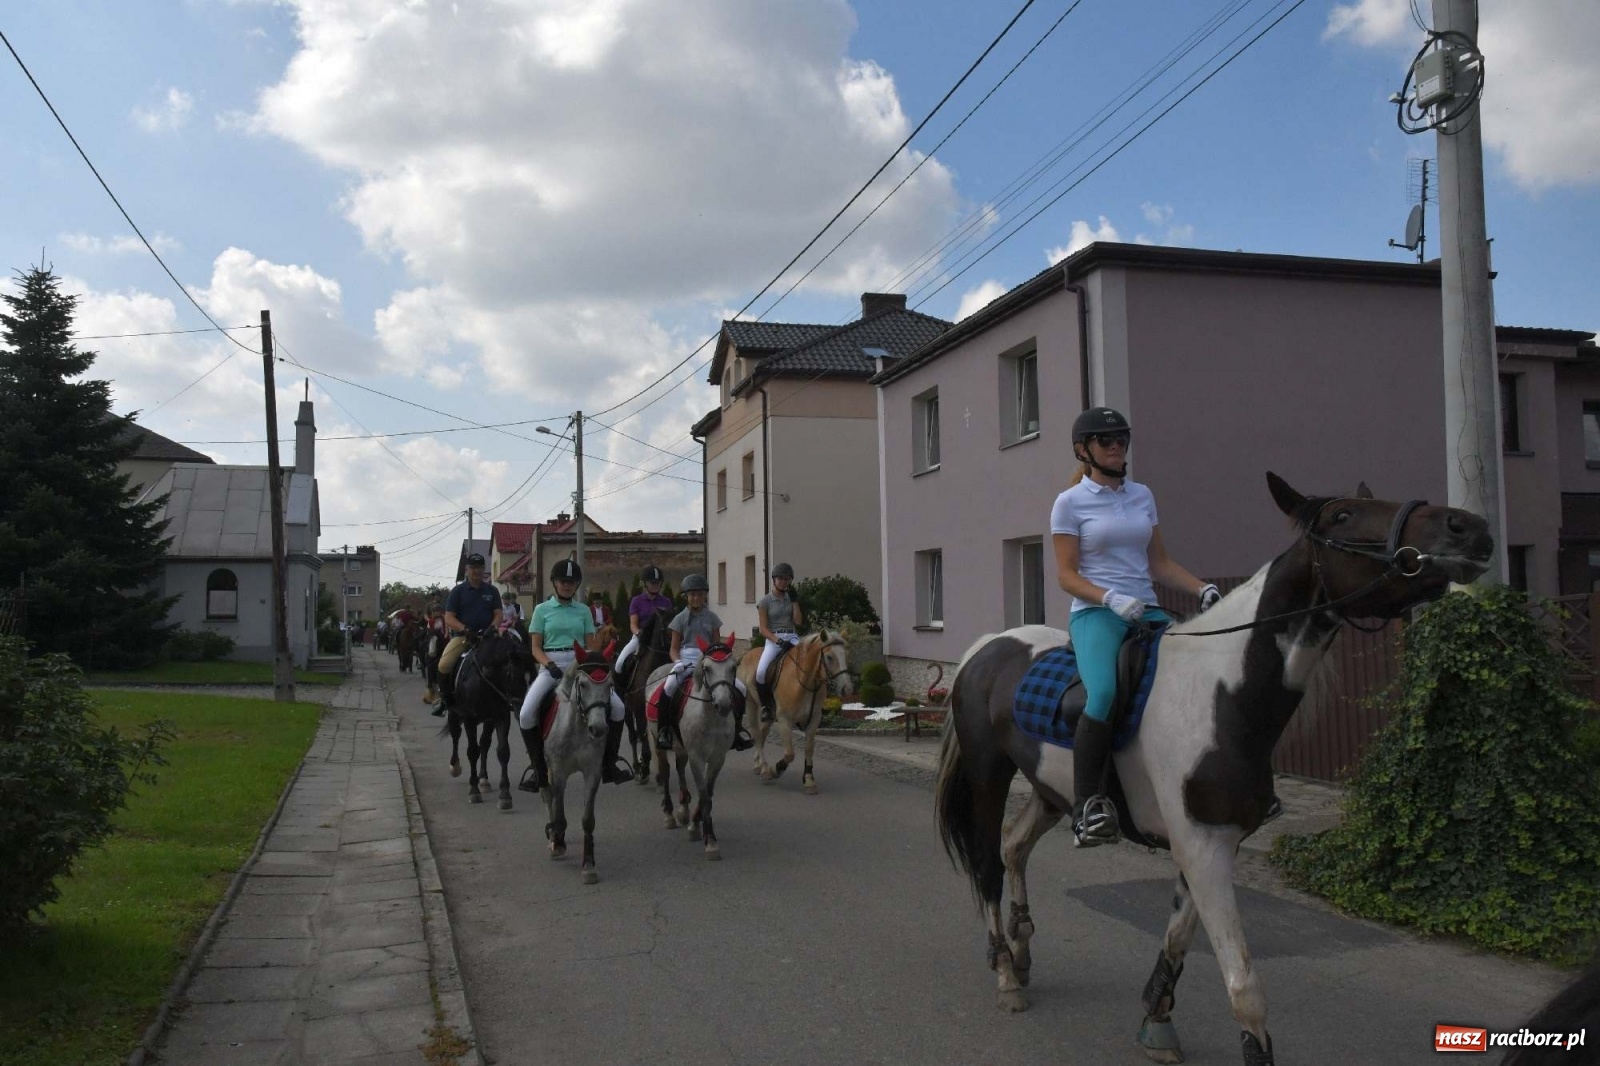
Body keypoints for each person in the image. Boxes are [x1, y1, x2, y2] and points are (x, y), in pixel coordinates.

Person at [1052, 407, 1221, 848]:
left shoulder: (1142, 495)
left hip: (1146, 608)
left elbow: (1159, 564)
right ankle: (1087, 806)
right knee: (1104, 693)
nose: (1115, 447)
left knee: (1203, 671)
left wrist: (1201, 588)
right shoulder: (1069, 502)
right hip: (1096, 612)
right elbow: (1066, 575)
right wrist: (1107, 597)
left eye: (1121, 440)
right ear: (1083, 449)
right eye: (1105, 441)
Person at [516, 559, 632, 790]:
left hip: (580, 664)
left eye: (571, 582)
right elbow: (535, 647)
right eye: (563, 581)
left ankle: (610, 764)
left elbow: (591, 645)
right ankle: (538, 770)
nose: (567, 585)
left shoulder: (583, 610)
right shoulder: (541, 610)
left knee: (618, 708)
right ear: (555, 583)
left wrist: (605, 638)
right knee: (526, 714)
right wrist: (548, 665)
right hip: (552, 664)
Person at [657, 574, 753, 752]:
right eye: (692, 595)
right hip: (686, 659)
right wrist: (677, 662)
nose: (696, 598)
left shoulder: (712, 618)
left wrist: (722, 661)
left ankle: (737, 729)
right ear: (686, 596)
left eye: (699, 594)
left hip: (710, 661)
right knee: (668, 688)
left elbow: (717, 646)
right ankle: (665, 730)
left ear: (704, 596)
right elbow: (673, 648)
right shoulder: (679, 619)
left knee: (740, 687)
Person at [428, 554, 503, 718]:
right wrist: (465, 629)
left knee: (509, 659)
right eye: (473, 568)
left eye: (480, 568)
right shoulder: (458, 591)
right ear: (466, 570)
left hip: (488, 637)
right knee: (443, 664)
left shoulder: (492, 590)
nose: (477, 571)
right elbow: (449, 617)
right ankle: (445, 700)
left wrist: (492, 628)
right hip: (465, 637)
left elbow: (498, 614)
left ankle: (512, 697)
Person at [754, 563, 802, 723]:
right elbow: (763, 629)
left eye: (787, 579)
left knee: (809, 662)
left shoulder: (791, 598)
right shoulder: (765, 602)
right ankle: (766, 706)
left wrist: (795, 602)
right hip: (774, 639)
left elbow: (798, 621)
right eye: (780, 578)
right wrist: (779, 641)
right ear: (774, 580)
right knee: (761, 672)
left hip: (792, 636)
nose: (783, 582)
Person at [612, 565, 675, 680]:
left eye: (657, 582)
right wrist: (638, 633)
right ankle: (621, 690)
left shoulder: (666, 602)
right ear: (645, 583)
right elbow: (633, 624)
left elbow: (670, 623)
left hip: (661, 639)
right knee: (619, 664)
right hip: (641, 637)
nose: (655, 585)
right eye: (652, 583)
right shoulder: (637, 601)